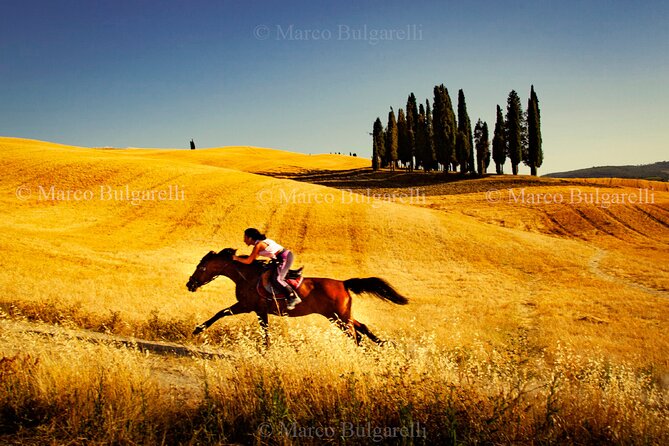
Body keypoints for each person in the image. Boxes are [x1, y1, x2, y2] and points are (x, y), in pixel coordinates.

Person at [232, 228, 302, 310]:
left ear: (250, 238)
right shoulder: (259, 244)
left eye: (245, 237)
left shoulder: (259, 245)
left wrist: (236, 258)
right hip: (279, 259)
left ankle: (293, 297)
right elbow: (253, 259)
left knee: (278, 279)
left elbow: (248, 261)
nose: (244, 240)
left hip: (285, 258)